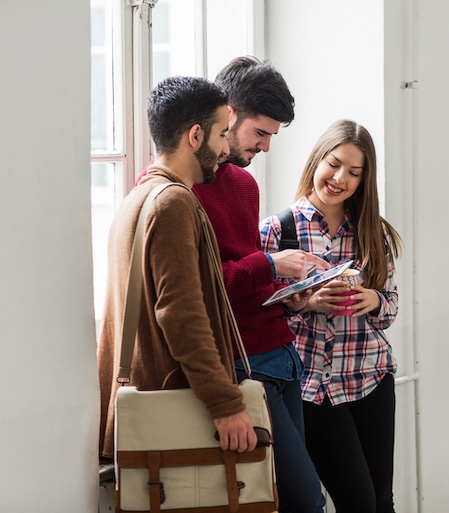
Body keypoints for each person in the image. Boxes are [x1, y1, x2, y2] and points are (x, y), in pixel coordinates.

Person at [193, 56, 328, 513]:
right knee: (305, 498)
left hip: (285, 357)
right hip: (244, 364)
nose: (266, 147)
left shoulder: (244, 185)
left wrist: (291, 296)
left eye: (273, 135)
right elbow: (205, 291)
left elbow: (245, 278)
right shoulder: (180, 190)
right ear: (228, 115)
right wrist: (272, 264)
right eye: (261, 133)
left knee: (286, 499)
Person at [98, 76, 257, 459]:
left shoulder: (139, 196)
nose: (224, 147)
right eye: (222, 133)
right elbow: (181, 313)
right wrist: (226, 404)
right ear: (196, 136)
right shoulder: (173, 203)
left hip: (148, 399)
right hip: (171, 405)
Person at [260, 119, 403, 513]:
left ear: (364, 180)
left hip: (371, 378)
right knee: (358, 502)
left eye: (354, 173)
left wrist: (372, 300)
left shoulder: (374, 232)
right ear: (317, 160)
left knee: (382, 502)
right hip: (314, 389)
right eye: (335, 163)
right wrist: (307, 303)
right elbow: (257, 316)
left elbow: (391, 307)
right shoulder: (277, 231)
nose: (340, 178)